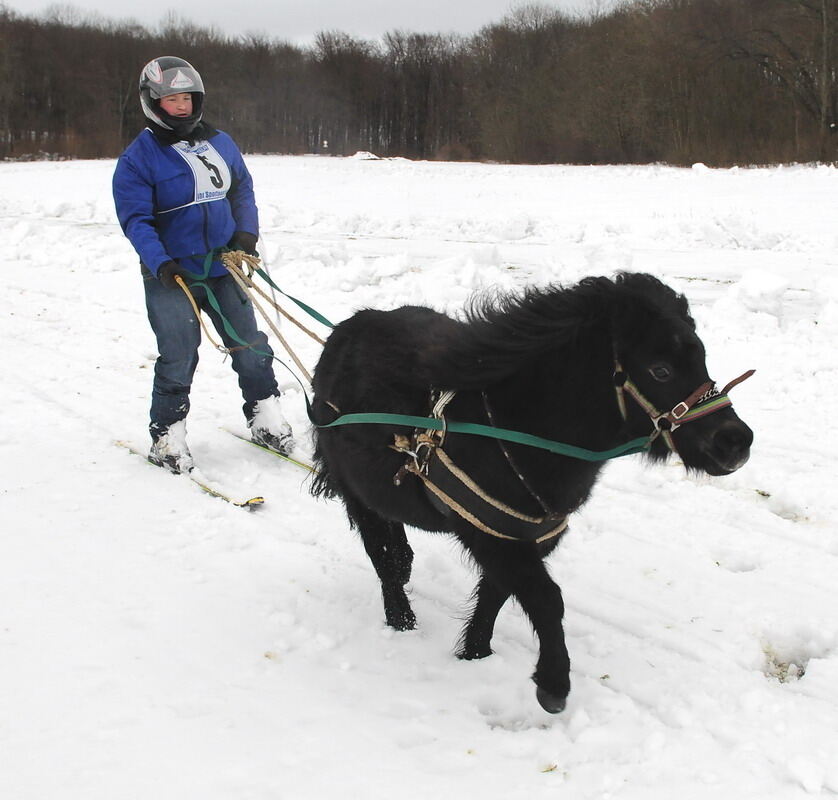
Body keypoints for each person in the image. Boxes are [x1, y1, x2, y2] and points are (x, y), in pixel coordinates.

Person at [113, 56, 294, 474]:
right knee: (178, 355)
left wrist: (245, 234)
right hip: (171, 275)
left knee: (250, 346)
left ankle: (264, 412)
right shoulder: (138, 159)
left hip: (223, 267)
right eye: (172, 99)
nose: (182, 106)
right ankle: (167, 433)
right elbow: (135, 220)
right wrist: (162, 264)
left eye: (187, 98)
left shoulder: (220, 142)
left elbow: (242, 189)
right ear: (154, 103)